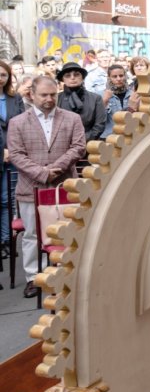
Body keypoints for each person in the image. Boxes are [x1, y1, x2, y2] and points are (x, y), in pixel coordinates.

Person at [9, 76, 86, 298]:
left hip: (65, 186)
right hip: (30, 187)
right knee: (32, 234)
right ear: (32, 95)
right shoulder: (18, 122)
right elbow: (16, 154)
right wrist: (43, 173)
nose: (49, 99)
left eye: (53, 94)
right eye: (44, 95)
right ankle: (34, 277)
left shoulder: (72, 118)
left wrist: (56, 167)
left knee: (66, 232)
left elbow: (78, 147)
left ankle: (65, 273)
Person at [0, 60, 23, 252]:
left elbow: (22, 124)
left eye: (3, 75)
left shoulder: (15, 98)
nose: (0, 79)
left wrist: (10, 150)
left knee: (8, 200)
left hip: (12, 155)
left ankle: (6, 240)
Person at [56, 62, 106, 142]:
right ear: (63, 79)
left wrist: (81, 141)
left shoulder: (96, 98)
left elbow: (99, 125)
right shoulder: (56, 99)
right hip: (62, 145)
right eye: (68, 75)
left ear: (82, 77)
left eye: (76, 74)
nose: (72, 78)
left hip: (89, 145)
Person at [100, 63, 137, 138]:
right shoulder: (101, 95)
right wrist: (105, 101)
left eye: (121, 76)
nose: (119, 79)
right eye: (114, 76)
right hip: (109, 137)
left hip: (129, 136)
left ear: (125, 76)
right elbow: (99, 120)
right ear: (109, 78)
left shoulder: (132, 95)